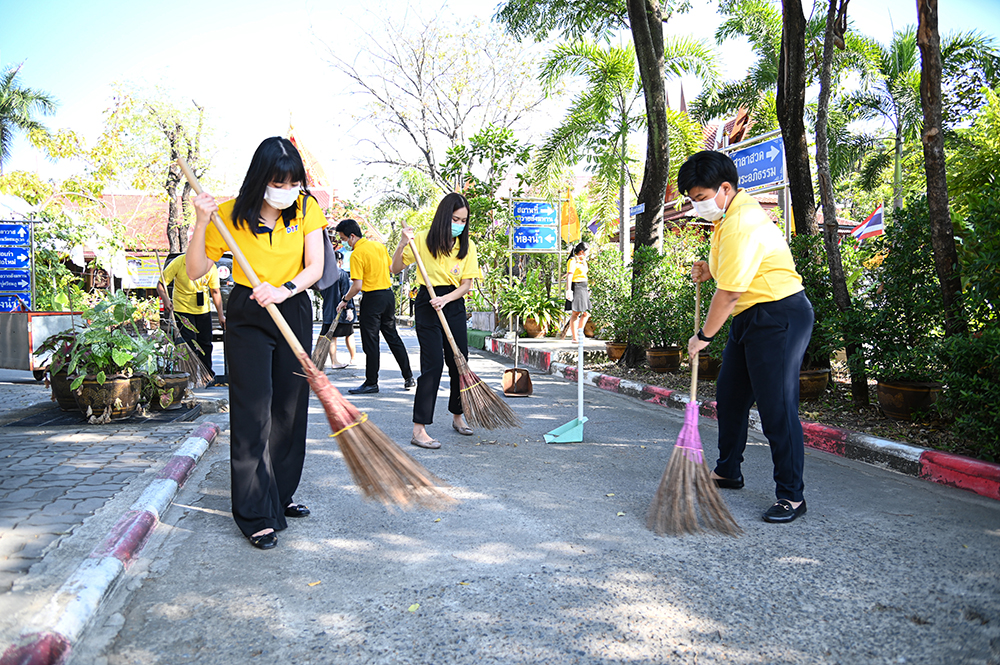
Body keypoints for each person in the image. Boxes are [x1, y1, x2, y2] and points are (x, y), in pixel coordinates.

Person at [187, 136, 326, 550]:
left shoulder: (307, 209)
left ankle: (279, 497)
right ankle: (254, 514)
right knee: (253, 411)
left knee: (289, 407)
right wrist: (199, 222)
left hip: (292, 305)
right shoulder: (227, 215)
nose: (286, 191)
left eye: (292, 183)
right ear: (261, 179)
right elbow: (196, 270)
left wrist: (284, 289)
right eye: (278, 183)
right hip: (248, 312)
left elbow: (315, 266)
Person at [678, 150, 814, 524]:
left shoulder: (741, 222)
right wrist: (709, 269)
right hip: (750, 314)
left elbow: (730, 294)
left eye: (702, 198)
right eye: (693, 200)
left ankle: (791, 496)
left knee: (777, 408)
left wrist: (703, 337)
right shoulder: (728, 215)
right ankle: (728, 470)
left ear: (725, 188)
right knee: (731, 396)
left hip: (779, 315)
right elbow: (735, 272)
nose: (698, 206)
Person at [390, 192, 481, 449]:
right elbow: (395, 268)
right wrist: (401, 243)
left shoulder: (467, 247)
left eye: (463, 220)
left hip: (452, 304)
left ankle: (457, 416)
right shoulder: (420, 240)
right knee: (432, 366)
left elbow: (466, 285)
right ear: (444, 217)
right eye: (455, 219)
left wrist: (447, 299)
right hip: (427, 303)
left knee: (459, 361)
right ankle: (419, 429)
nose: (459, 225)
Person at [335, 219, 415, 394]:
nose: (343, 242)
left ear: (352, 236)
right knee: (393, 337)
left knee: (371, 342)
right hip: (387, 296)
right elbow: (392, 268)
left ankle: (372, 382)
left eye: (343, 239)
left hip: (372, 299)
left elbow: (357, 285)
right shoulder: (378, 246)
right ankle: (409, 377)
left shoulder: (357, 254)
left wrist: (345, 299)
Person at [156, 254, 225, 376]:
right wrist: (166, 300)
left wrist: (221, 315)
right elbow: (161, 284)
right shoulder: (179, 262)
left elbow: (215, 291)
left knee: (205, 343)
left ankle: (207, 374)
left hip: (203, 310)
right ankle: (189, 374)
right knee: (187, 343)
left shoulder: (210, 265)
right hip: (182, 309)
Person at [323, 250, 356, 368]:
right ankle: (353, 358)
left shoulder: (324, 274)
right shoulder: (342, 274)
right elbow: (347, 293)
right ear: (340, 261)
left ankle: (334, 361)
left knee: (332, 336)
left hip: (327, 309)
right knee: (349, 333)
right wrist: (350, 308)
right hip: (341, 309)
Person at [561, 242, 590, 342]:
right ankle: (575, 337)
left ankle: (579, 332)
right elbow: (569, 275)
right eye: (587, 251)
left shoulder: (582, 261)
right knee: (575, 313)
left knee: (586, 313)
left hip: (583, 286)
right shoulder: (572, 260)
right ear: (582, 251)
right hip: (576, 286)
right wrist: (569, 290)